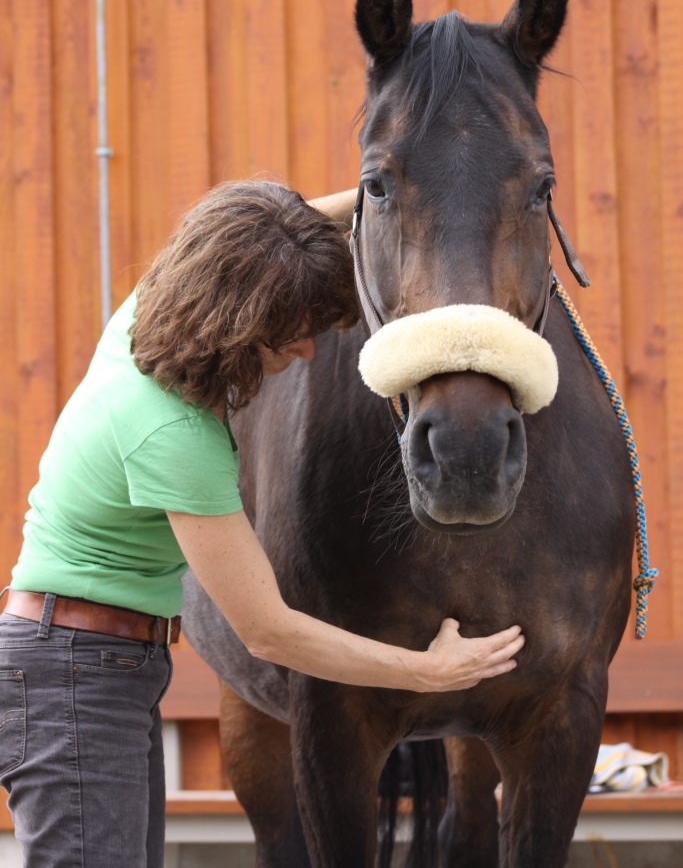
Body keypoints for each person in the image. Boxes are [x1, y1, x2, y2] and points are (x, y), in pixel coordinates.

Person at [0, 180, 524, 868]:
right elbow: (266, 630)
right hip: (76, 670)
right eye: (292, 331)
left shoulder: (144, 322)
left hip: (90, 661)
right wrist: (427, 672)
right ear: (237, 321)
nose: (306, 352)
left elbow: (258, 237)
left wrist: (402, 189)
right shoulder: (171, 433)